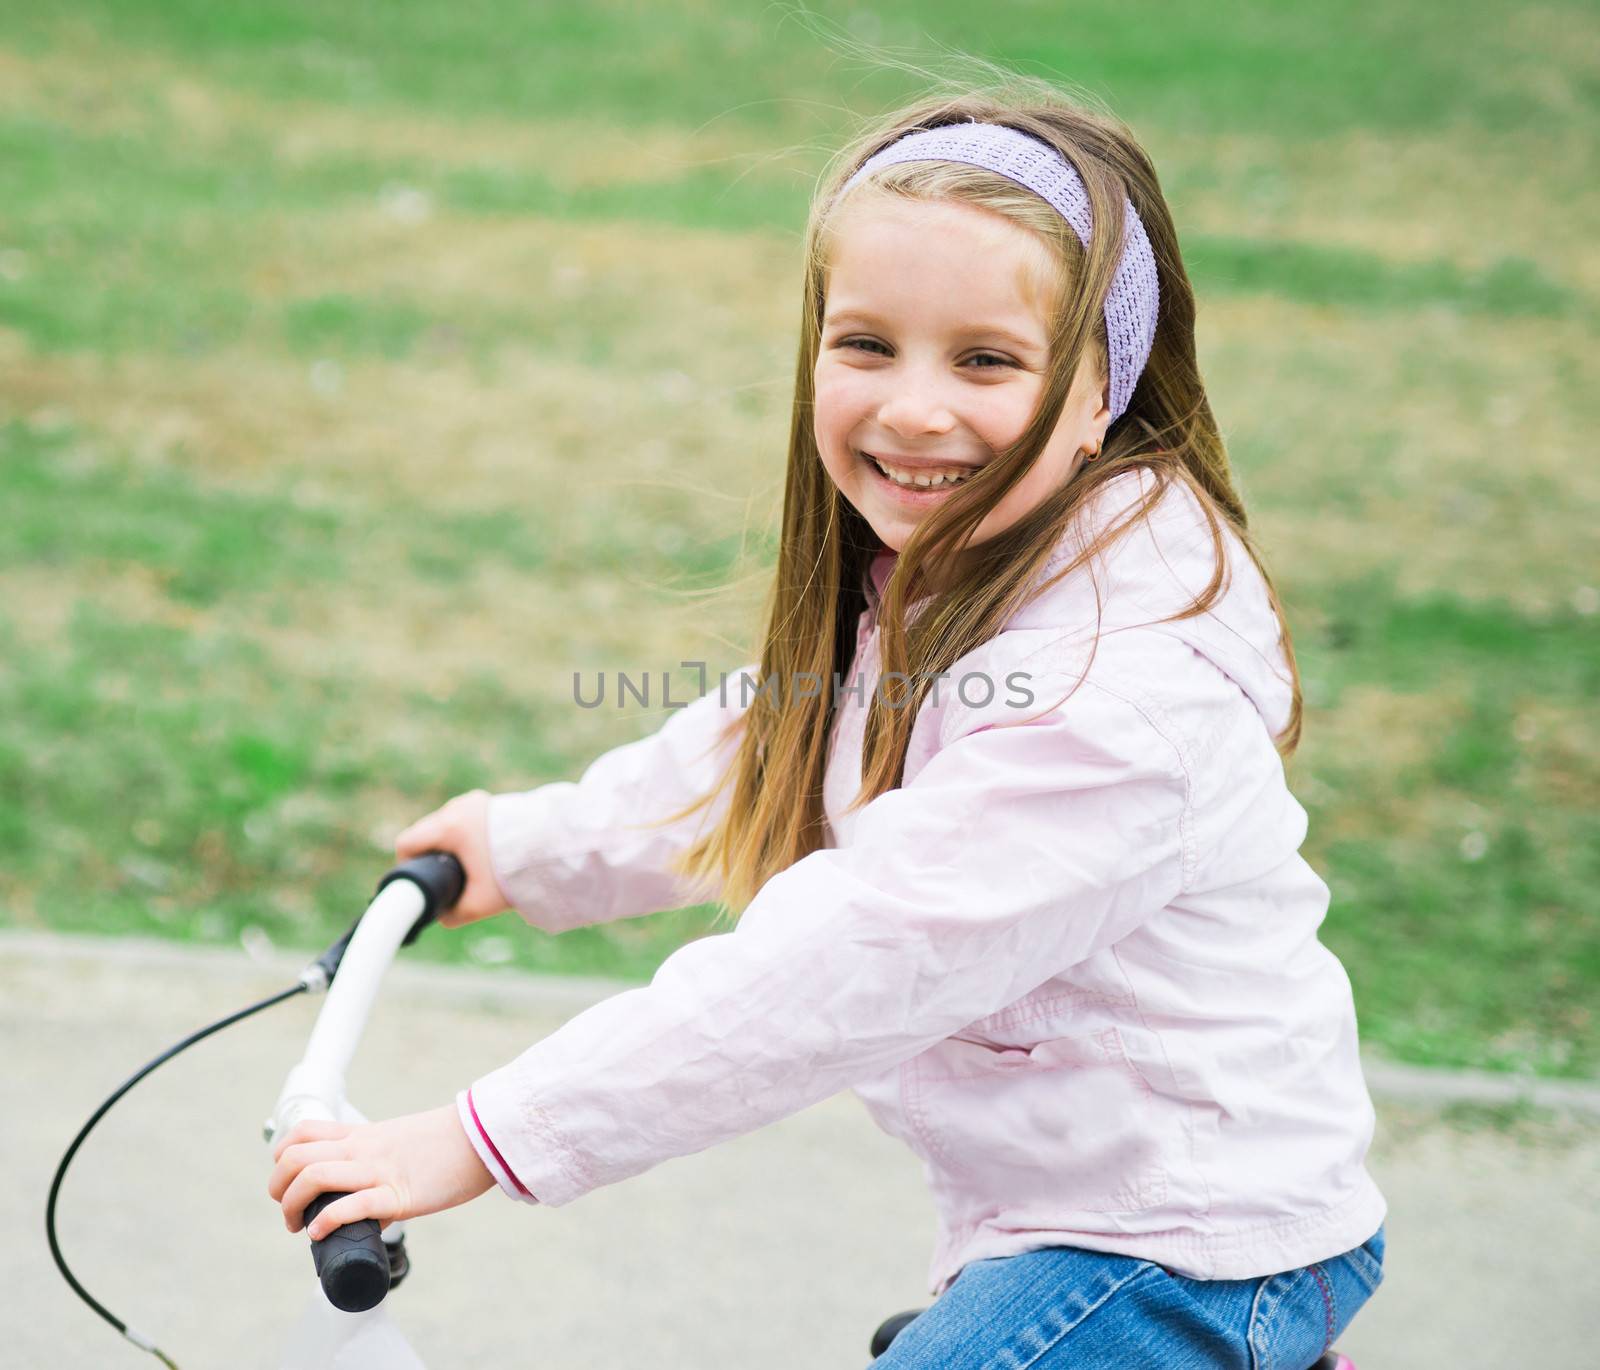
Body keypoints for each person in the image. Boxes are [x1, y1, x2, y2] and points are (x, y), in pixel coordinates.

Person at [269, 81, 1387, 1367]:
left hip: (1195, 1239)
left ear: (1099, 396)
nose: (914, 408)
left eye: (985, 359)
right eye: (866, 345)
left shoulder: (1117, 697)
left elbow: (849, 957)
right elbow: (787, 743)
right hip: (1063, 1210)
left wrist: (480, 1134)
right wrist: (526, 847)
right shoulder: (958, 571)